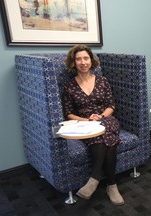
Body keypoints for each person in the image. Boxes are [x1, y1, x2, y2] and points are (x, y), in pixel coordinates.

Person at [62, 45, 124, 206]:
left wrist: (101, 116)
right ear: (73, 62)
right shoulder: (69, 86)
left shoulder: (102, 81)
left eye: (86, 58)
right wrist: (87, 120)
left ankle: (93, 180)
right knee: (106, 140)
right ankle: (112, 186)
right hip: (85, 124)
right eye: (78, 59)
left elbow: (111, 105)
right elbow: (68, 113)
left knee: (104, 129)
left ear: (91, 60)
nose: (83, 62)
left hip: (107, 119)